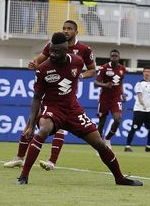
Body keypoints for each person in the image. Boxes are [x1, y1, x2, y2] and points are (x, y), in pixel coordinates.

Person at [16, 32, 142, 186]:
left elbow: (91, 70)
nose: (53, 54)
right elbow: (36, 98)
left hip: (73, 110)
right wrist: (30, 124)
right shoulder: (43, 69)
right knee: (43, 130)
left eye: (57, 51)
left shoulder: (77, 61)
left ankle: (119, 178)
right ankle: (24, 176)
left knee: (99, 143)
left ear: (65, 50)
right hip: (52, 108)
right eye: (51, 51)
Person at [4, 20, 96, 169]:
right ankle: (19, 157)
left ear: (76, 32)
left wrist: (80, 76)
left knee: (59, 126)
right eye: (64, 28)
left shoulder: (84, 49)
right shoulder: (53, 44)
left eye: (69, 29)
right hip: (49, 92)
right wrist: (34, 64)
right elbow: (39, 60)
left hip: (67, 94)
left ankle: (52, 161)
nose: (66, 31)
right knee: (31, 122)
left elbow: (92, 69)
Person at [95, 49, 126, 148]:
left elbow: (120, 82)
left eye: (116, 56)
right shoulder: (104, 68)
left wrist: (123, 93)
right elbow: (96, 83)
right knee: (102, 122)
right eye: (112, 56)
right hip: (104, 98)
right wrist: (105, 85)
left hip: (116, 98)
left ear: (119, 57)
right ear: (110, 57)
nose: (114, 57)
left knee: (117, 119)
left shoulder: (122, 69)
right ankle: (99, 145)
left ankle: (107, 138)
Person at [125, 67, 150, 153]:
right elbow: (139, 96)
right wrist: (143, 104)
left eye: (148, 72)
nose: (147, 73)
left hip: (148, 111)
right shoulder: (139, 84)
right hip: (139, 110)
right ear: (143, 73)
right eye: (145, 72)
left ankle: (148, 146)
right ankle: (127, 146)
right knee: (134, 127)